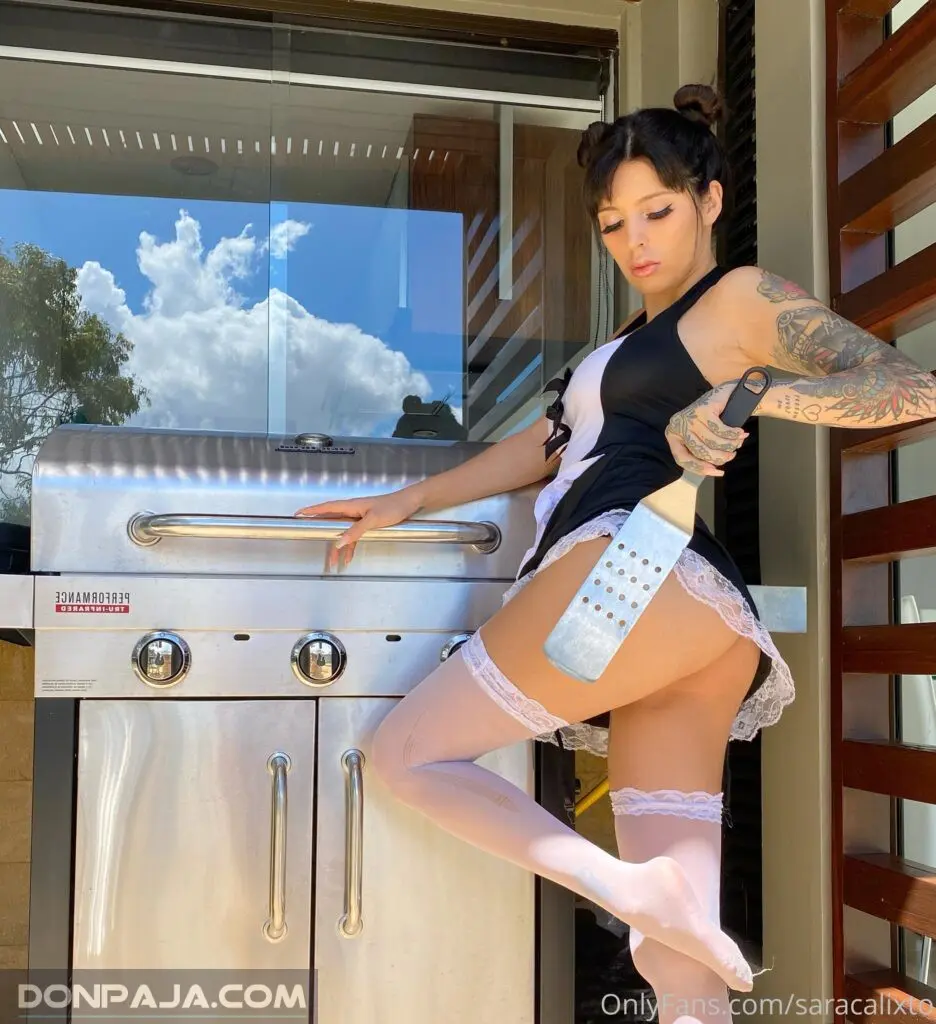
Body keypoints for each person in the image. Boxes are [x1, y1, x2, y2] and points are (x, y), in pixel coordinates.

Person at [296, 83, 936, 1017]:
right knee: (678, 965)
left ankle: (632, 890)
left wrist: (758, 392)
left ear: (710, 201)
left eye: (657, 212)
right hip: (687, 622)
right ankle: (656, 906)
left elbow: (909, 385)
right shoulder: (626, 343)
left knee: (407, 757)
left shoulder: (738, 298)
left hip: (631, 571)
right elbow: (546, 445)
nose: (635, 241)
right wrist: (412, 499)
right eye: (612, 224)